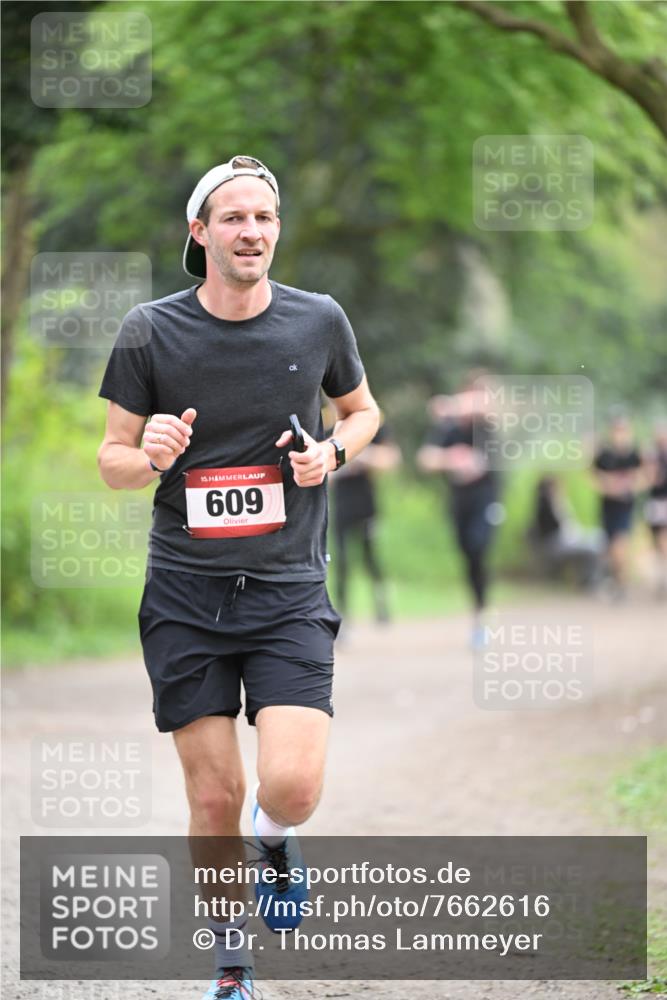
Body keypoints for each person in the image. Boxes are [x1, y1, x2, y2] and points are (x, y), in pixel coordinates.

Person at [97, 155, 379, 999]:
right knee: (213, 797)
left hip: (288, 592)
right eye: (233, 218)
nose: (251, 231)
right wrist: (149, 454)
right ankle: (230, 963)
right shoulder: (149, 331)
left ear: (276, 229)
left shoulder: (317, 320)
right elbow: (112, 459)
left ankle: (276, 835)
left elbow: (362, 412)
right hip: (185, 596)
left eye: (263, 217)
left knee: (290, 786)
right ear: (200, 232)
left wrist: (332, 454)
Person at [417, 371, 502, 648]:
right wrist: (451, 458)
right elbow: (425, 458)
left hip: (486, 501)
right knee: (469, 558)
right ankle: (479, 611)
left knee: (478, 548)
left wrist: (451, 404)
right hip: (459, 501)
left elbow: (489, 406)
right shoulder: (450, 429)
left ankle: (482, 616)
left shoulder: (486, 425)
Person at [330, 417, 401, 626]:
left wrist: (361, 455)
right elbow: (322, 471)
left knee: (372, 559)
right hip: (341, 506)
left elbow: (391, 458)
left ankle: (382, 606)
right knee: (341, 561)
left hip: (366, 505)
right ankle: (342, 613)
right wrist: (342, 464)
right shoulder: (326, 424)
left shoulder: (369, 421)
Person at [592, 413, 644, 600]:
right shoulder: (604, 455)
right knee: (610, 549)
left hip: (625, 508)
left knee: (620, 547)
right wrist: (607, 487)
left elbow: (644, 476)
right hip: (608, 507)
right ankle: (615, 579)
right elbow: (593, 476)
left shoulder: (633, 455)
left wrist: (629, 487)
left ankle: (621, 584)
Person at [528, 476, 603, 589]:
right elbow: (559, 530)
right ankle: (589, 581)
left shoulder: (557, 504)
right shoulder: (546, 507)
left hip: (565, 541)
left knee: (597, 539)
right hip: (556, 545)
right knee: (592, 548)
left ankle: (591, 579)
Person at [644, 422, 667, 599]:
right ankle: (661, 579)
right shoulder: (652, 455)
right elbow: (650, 480)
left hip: (663, 502)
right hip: (655, 503)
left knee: (662, 541)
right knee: (657, 543)